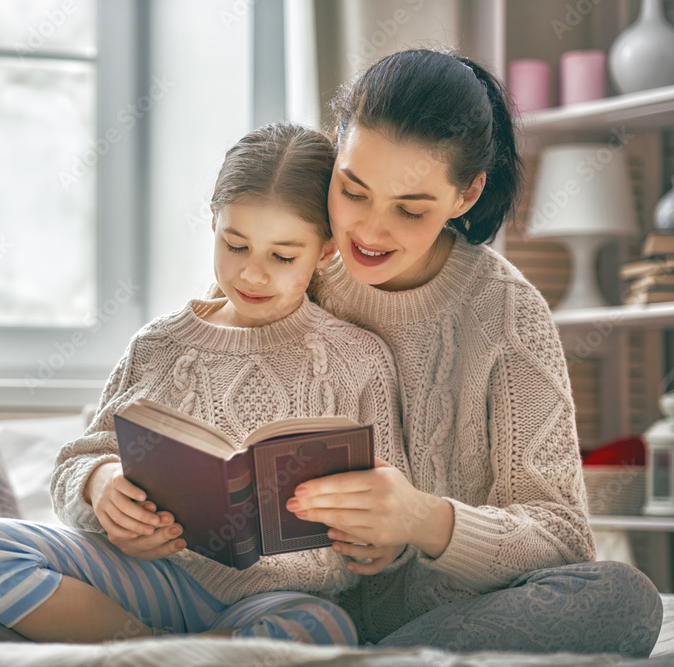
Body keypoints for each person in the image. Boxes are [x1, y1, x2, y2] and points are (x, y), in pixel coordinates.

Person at [0, 122, 412, 645]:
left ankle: (115, 645)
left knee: (324, 628)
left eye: (283, 257)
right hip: (152, 578)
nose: (252, 275)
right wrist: (100, 485)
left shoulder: (359, 358)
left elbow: (392, 502)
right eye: (235, 245)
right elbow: (78, 459)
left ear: (325, 251)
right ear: (212, 222)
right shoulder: (160, 344)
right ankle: (156, 649)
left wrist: (382, 547)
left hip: (271, 600)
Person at [282, 48, 663, 658]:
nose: (370, 231)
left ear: (465, 195)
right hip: (291, 600)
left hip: (454, 618)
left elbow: (562, 541)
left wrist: (421, 520)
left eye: (410, 209)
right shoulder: (289, 267)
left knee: (623, 598)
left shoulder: (508, 313)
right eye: (353, 190)